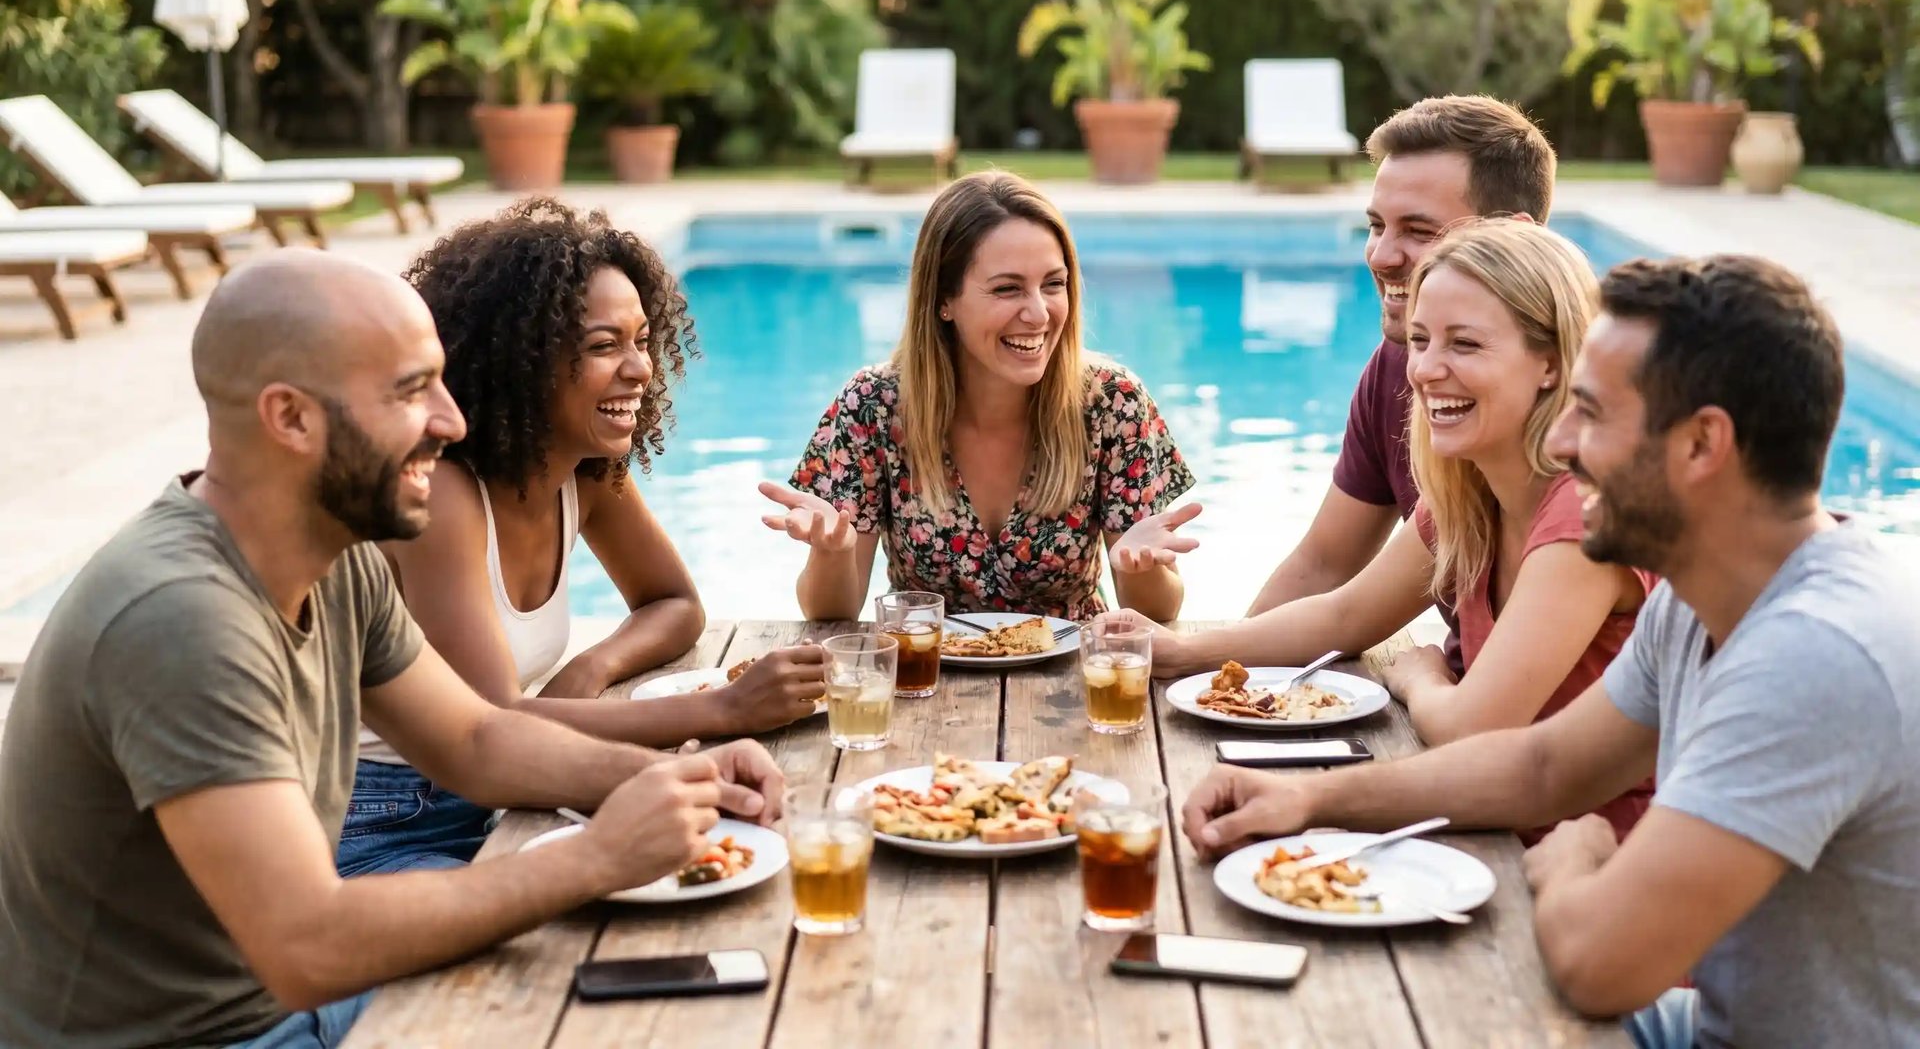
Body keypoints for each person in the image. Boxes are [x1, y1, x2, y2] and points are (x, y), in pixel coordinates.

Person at [0, 250, 784, 1049]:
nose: (454, 420)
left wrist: (681, 778)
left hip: (278, 1003)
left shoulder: (334, 557)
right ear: (291, 417)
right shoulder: (182, 620)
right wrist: (594, 856)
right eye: (412, 390)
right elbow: (310, 946)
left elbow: (476, 738)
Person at [1180, 255, 1920, 1048]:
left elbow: (1602, 964)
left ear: (1704, 443)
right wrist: (1307, 801)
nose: (1562, 442)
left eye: (1592, 413)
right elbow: (1544, 768)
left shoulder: (1814, 658)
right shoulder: (1703, 595)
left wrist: (1577, 855)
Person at [340, 199, 824, 877]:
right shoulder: (446, 494)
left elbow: (674, 603)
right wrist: (722, 708)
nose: (639, 369)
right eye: (604, 345)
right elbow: (496, 719)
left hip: (513, 792)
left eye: (643, 340)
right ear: (522, 359)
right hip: (389, 820)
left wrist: (589, 669)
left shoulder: (585, 473)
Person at [1129, 219, 1655, 840]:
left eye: (1464, 345)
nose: (1426, 370)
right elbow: (1346, 616)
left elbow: (1473, 727)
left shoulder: (1581, 515)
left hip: (1584, 860)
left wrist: (1421, 679)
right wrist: (1179, 653)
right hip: (1479, 822)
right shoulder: (1473, 491)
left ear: (1549, 362)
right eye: (1423, 341)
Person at [758, 170, 1200, 622]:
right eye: (1007, 288)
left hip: (1073, 677)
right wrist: (832, 553)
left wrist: (1142, 571)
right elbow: (829, 613)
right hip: (926, 677)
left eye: (1053, 284)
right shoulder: (872, 404)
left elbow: (1156, 614)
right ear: (943, 300)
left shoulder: (1114, 402)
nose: (1039, 313)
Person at [1246, 95, 1558, 677]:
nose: (1382, 256)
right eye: (1375, 226)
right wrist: (1210, 679)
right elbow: (1323, 570)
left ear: (1514, 239)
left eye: (1419, 230)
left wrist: (1422, 684)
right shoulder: (1400, 369)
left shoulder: (1594, 439)